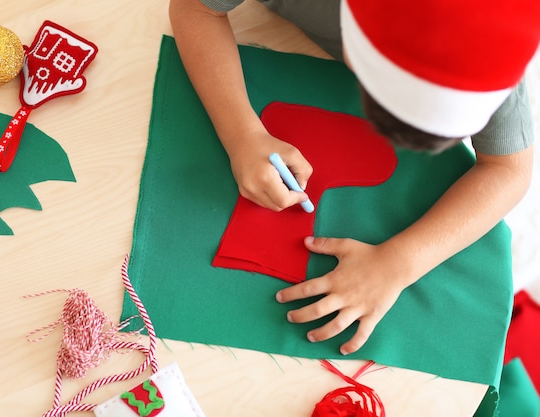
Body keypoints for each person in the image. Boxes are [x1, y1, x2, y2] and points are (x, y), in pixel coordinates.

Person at [169, 0, 540, 355]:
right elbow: (195, 7)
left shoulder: (489, 34)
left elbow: (511, 168)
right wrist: (241, 134)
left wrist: (399, 263)